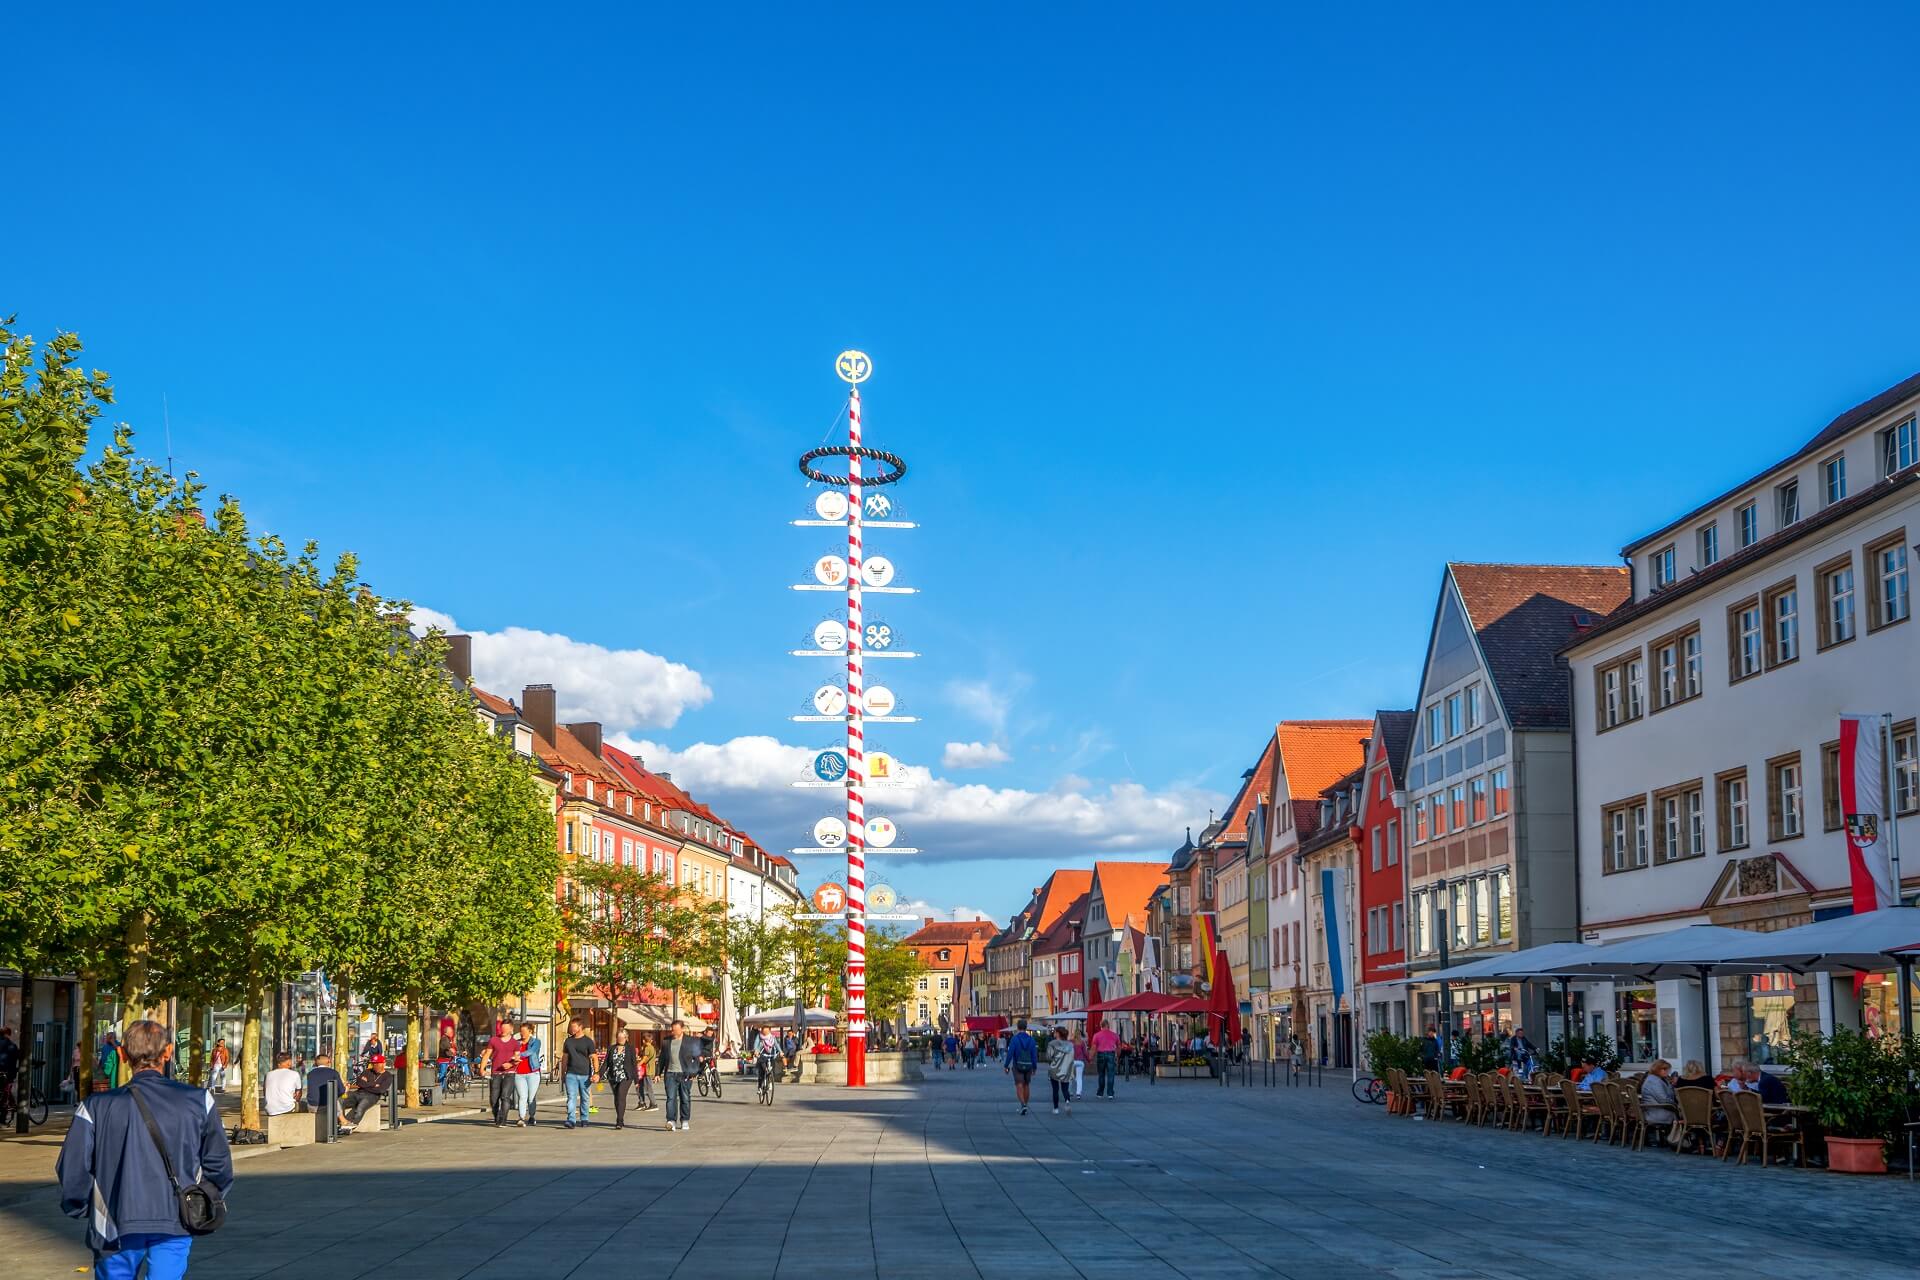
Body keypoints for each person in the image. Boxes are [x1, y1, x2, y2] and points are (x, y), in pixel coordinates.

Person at [58, 1019, 232, 1280]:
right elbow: (219, 1165)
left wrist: (82, 1206)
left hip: (114, 1219)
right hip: (175, 1217)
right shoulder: (198, 1101)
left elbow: (73, 1168)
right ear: (169, 1052)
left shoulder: (95, 1106)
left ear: (123, 1054)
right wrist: (204, 1199)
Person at [660, 1019, 698, 1132]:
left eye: (676, 1030)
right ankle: (671, 1121)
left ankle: (685, 1120)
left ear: (682, 1029)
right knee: (671, 1098)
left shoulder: (690, 1041)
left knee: (685, 1098)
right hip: (670, 1073)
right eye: (672, 1030)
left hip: (685, 1074)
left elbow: (696, 1058)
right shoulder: (666, 1041)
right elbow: (662, 1058)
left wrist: (693, 1072)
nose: (673, 1032)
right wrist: (658, 1073)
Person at [481, 1019, 520, 1127]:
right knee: (494, 1099)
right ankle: (497, 1116)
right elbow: (487, 1055)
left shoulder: (515, 1043)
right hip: (496, 1073)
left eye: (506, 1029)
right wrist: (482, 1069)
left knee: (505, 1097)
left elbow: (518, 1059)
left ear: (511, 1029)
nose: (503, 1030)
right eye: (502, 1028)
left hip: (509, 1073)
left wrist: (511, 1065)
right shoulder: (494, 1040)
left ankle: (503, 1120)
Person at [559, 1018, 596, 1130]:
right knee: (571, 1097)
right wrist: (563, 1073)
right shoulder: (568, 1041)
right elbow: (565, 1057)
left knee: (585, 1098)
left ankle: (584, 1118)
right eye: (571, 1026)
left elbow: (594, 1057)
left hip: (585, 1074)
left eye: (574, 1026)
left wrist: (596, 1072)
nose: (572, 1028)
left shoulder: (588, 1041)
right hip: (571, 1073)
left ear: (580, 1027)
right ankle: (571, 1119)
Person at [341, 1056, 391, 1130]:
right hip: (358, 1093)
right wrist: (373, 1084)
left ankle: (352, 1124)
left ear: (383, 1063)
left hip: (372, 1096)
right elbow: (359, 1083)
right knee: (340, 1099)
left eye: (378, 1064)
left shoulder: (387, 1076)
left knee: (360, 1108)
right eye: (373, 1064)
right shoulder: (367, 1071)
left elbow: (381, 1090)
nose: (375, 1066)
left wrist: (366, 1084)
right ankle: (340, 1122)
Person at [602, 1028, 637, 1129]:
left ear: (626, 1038)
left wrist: (636, 1080)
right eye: (619, 1037)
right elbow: (606, 1063)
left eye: (622, 1037)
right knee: (617, 1098)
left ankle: (619, 1120)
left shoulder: (630, 1048)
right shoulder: (611, 1048)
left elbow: (634, 1064)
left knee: (621, 1095)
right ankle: (620, 1116)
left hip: (626, 1076)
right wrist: (598, 1074)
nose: (620, 1039)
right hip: (613, 1076)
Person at [1003, 1018, 1040, 1116]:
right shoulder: (1031, 1039)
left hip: (1017, 1065)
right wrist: (1034, 1067)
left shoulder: (1015, 1039)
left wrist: (1006, 1066)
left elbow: (1010, 1053)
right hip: (1029, 1065)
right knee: (1026, 1085)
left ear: (1018, 1027)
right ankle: (1025, 1105)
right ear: (1026, 1027)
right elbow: (1034, 1054)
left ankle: (1023, 1104)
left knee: (1019, 1084)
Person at [1639, 1058, 1679, 1145]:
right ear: (1657, 1069)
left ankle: (1677, 1140)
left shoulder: (1658, 1079)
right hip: (1656, 1112)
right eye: (1664, 1069)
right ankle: (1678, 1141)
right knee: (1684, 1115)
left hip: (1655, 1109)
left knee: (1682, 1113)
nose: (1667, 1072)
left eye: (1667, 1069)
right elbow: (1663, 1099)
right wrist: (1676, 1104)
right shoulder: (1654, 1081)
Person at [513, 1022, 541, 1127]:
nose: (522, 1033)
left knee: (531, 1097)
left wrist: (518, 1055)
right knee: (522, 1096)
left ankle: (532, 1116)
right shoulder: (516, 1043)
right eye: (521, 1031)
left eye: (524, 1031)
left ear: (530, 1032)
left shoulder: (536, 1042)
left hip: (533, 1073)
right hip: (519, 1073)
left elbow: (531, 1052)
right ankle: (521, 1118)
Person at [305, 1053, 344, 1125]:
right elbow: (341, 1090)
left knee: (332, 1098)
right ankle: (342, 1121)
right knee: (336, 1099)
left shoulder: (310, 1074)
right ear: (328, 1062)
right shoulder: (333, 1073)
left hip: (311, 1105)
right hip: (326, 1105)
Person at [1045, 1026, 1075, 1115]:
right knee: (1065, 1088)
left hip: (1054, 1069)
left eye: (1055, 1032)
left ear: (1058, 1033)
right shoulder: (1070, 1045)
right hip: (1066, 1069)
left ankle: (1056, 1108)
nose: (1054, 1033)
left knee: (1055, 1089)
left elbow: (1048, 1057)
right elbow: (1072, 1057)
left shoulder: (1052, 1044)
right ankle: (1067, 1101)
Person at [263, 1051, 300, 1118]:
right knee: (304, 1106)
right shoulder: (295, 1074)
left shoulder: (268, 1074)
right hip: (288, 1108)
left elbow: (265, 1092)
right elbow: (298, 1093)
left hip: (270, 1109)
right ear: (288, 1062)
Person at [1091, 1022, 1120, 1099]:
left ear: (1101, 1026)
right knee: (1111, 1074)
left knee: (1101, 1074)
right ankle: (1110, 1093)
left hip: (1101, 1054)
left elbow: (1093, 1048)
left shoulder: (1096, 1035)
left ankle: (1100, 1093)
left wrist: (1091, 1057)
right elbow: (1118, 1047)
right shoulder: (1114, 1035)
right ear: (1108, 1026)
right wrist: (1118, 1056)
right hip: (1111, 1054)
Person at [753, 1025, 782, 1095]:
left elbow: (776, 1045)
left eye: (766, 1031)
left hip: (771, 1055)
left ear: (769, 1030)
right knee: (762, 1071)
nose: (765, 1032)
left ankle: (770, 1082)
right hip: (762, 1055)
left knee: (771, 1069)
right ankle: (760, 1087)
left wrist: (781, 1052)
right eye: (763, 1031)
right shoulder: (759, 1036)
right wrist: (756, 1051)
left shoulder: (772, 1037)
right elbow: (756, 1045)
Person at [96, 1028, 126, 1094]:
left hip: (113, 1071)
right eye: (107, 1037)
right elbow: (102, 1058)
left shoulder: (118, 1045)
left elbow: (120, 1052)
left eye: (110, 1037)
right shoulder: (105, 1047)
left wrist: (113, 1042)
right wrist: (99, 1067)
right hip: (105, 1069)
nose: (108, 1038)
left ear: (114, 1038)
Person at [637, 1035, 659, 1112]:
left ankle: (653, 1104)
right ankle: (648, 1104)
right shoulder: (652, 1048)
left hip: (647, 1070)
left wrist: (638, 1064)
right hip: (651, 1070)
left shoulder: (647, 1048)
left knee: (648, 1088)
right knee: (645, 1087)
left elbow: (645, 1058)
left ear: (643, 1040)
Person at [1070, 1030, 1088, 1098]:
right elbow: (1085, 1053)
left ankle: (1070, 1092)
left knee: (1070, 1077)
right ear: (1080, 1035)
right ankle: (1078, 1094)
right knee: (1079, 1078)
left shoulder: (1070, 1042)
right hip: (1080, 1061)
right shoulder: (1082, 1042)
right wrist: (1089, 1060)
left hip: (1072, 1061)